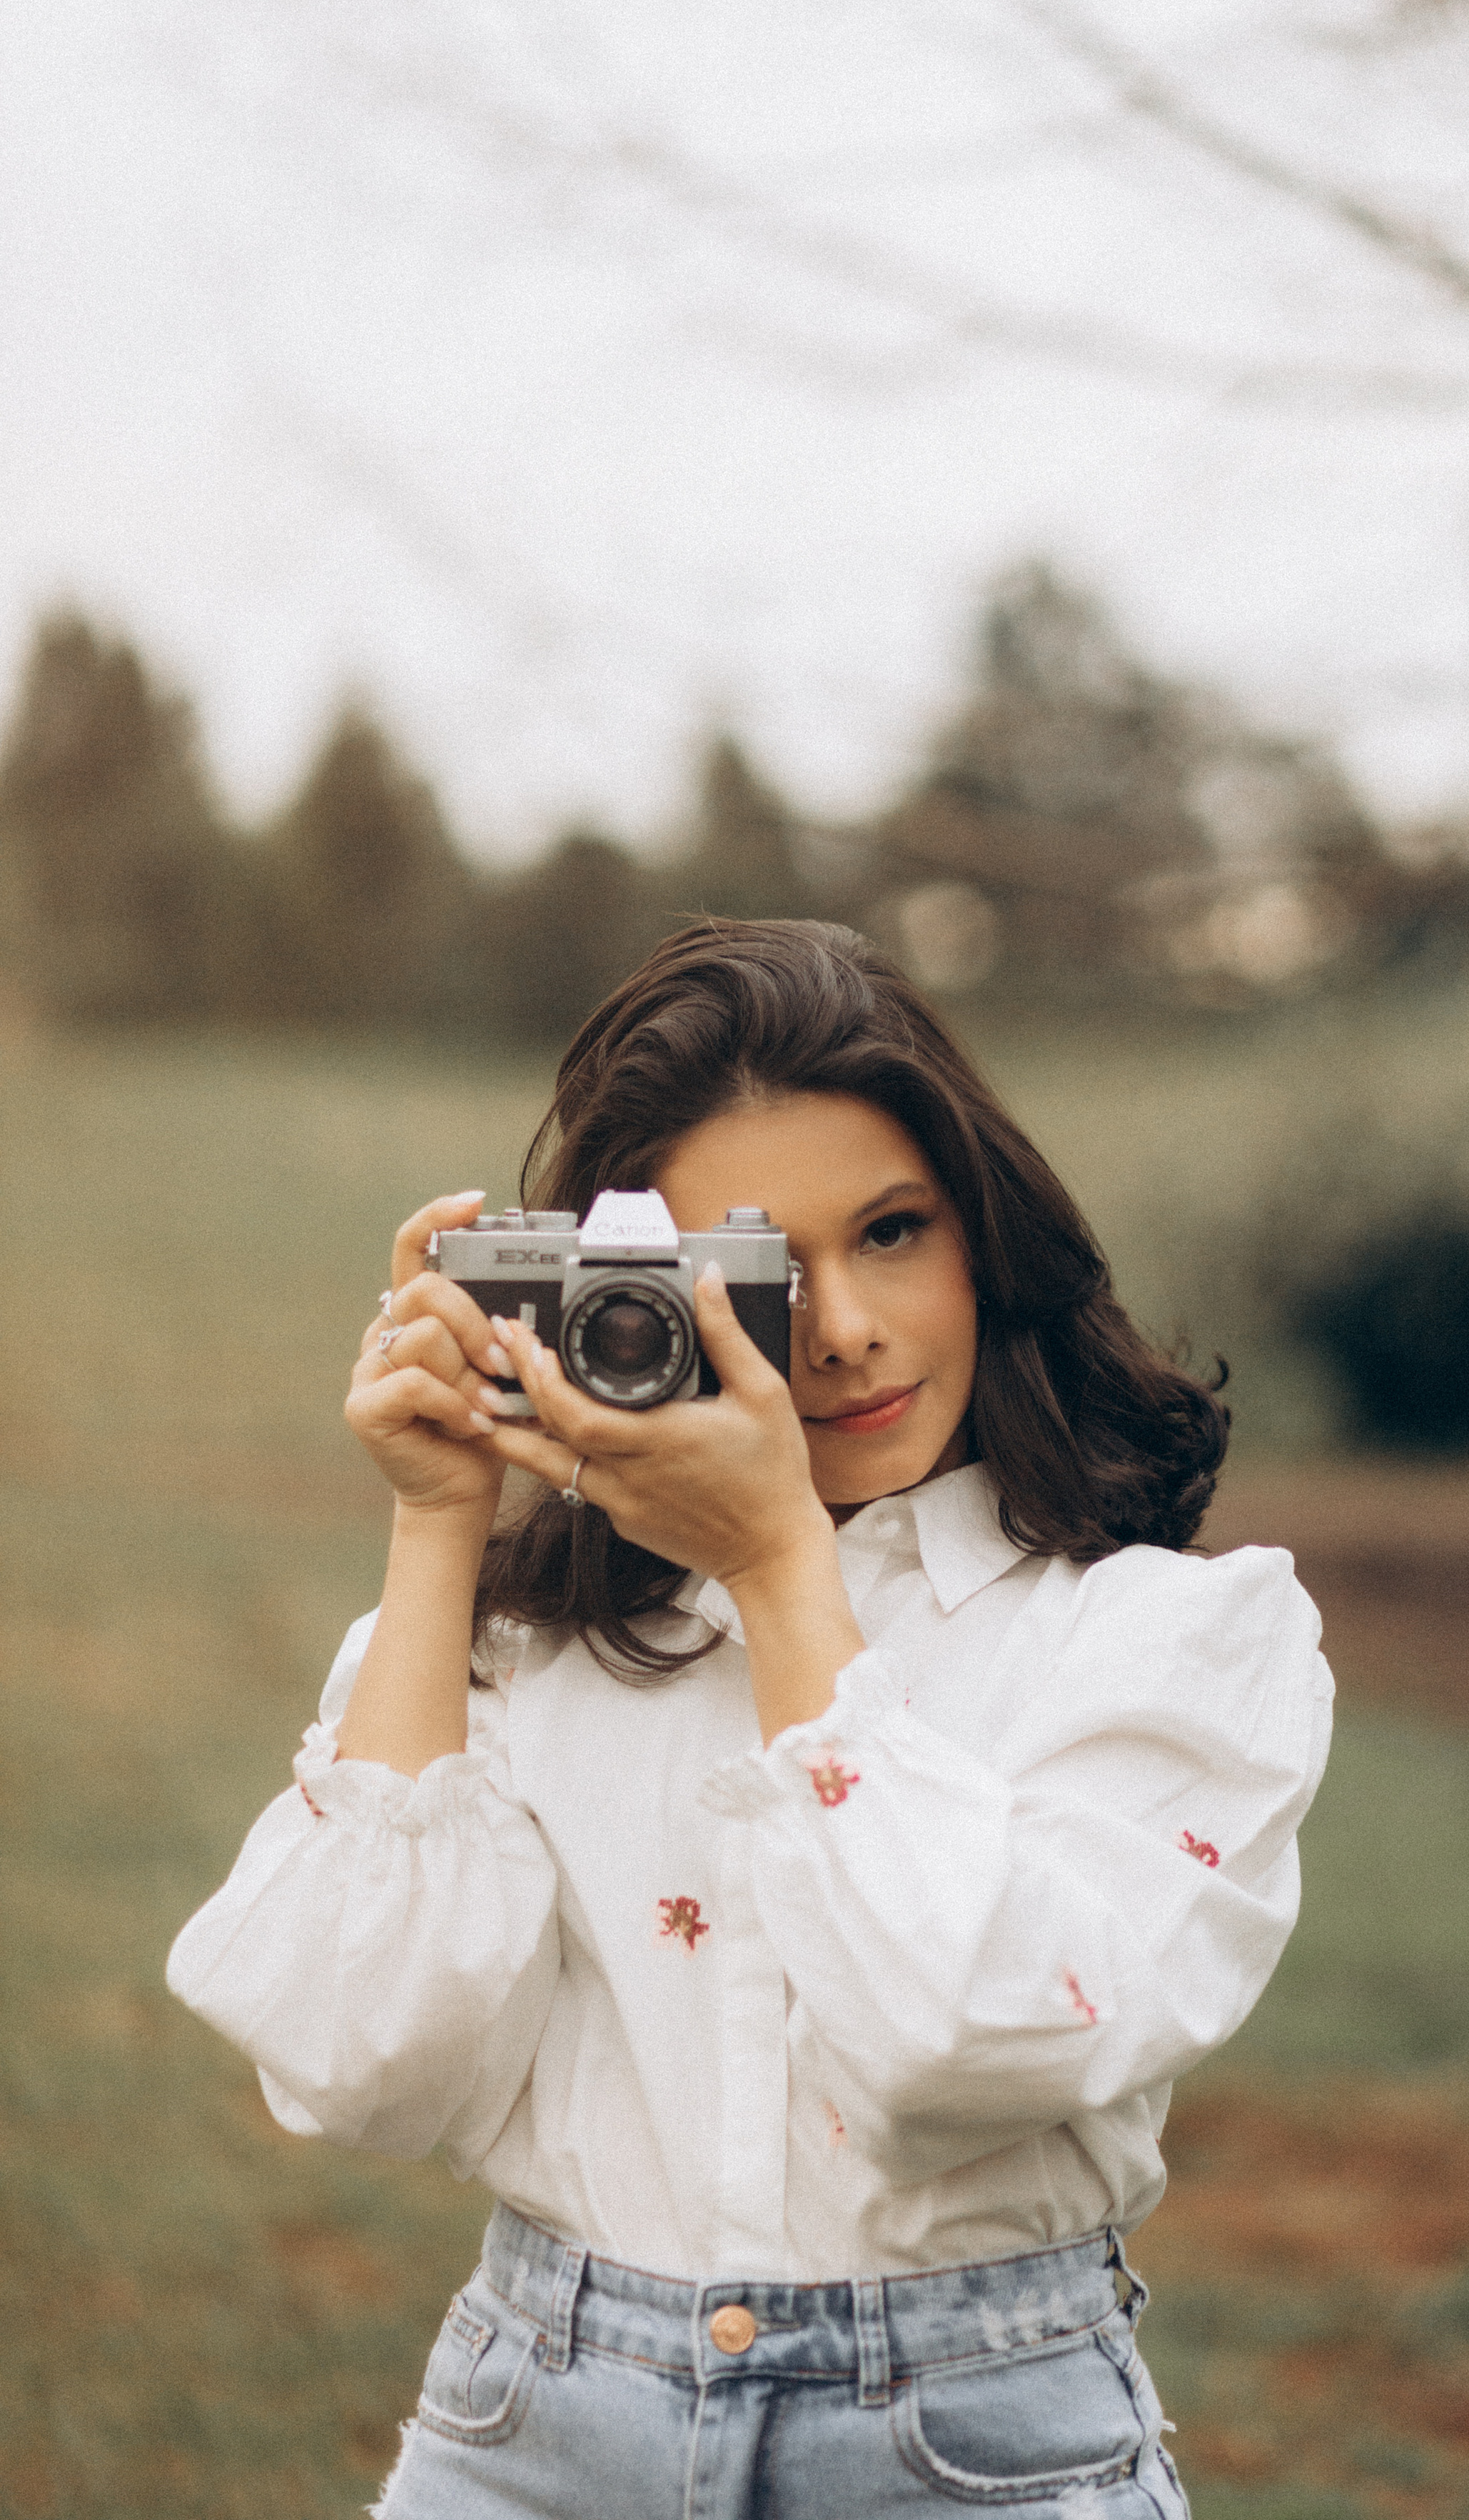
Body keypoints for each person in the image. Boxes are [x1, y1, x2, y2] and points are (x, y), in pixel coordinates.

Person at [168, 917, 1333, 2519]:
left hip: (968, 2455)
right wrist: (442, 1526)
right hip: (534, 2433)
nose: (843, 1328)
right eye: (759, 1274)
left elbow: (960, 2040)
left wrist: (780, 1568)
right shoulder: (521, 1646)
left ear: (988, 1234)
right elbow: (360, 2065)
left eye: (894, 1233)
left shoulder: (1166, 1638)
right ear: (611, 1297)